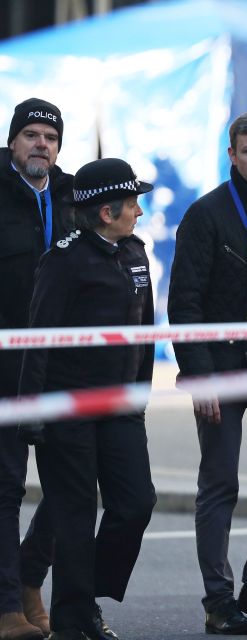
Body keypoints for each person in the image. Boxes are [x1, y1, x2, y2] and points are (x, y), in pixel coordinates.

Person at [18, 158, 158, 640]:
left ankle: (84, 592)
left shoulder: (136, 254)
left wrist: (140, 394)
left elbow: (146, 331)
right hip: (68, 408)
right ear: (106, 211)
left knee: (137, 502)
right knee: (74, 516)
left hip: (120, 408)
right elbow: (38, 337)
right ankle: (76, 619)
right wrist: (34, 411)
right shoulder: (64, 260)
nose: (138, 212)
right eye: (133, 203)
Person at [167, 110, 247, 635]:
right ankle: (219, 600)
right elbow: (184, 303)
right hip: (218, 366)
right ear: (232, 155)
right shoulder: (206, 214)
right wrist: (198, 375)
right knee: (219, 483)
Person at [0, 97, 73, 640]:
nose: (40, 145)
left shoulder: (73, 197)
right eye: (30, 135)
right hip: (6, 368)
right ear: (12, 142)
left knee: (73, 481)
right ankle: (6, 607)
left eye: (49, 137)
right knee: (5, 487)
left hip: (64, 369)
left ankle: (30, 577)